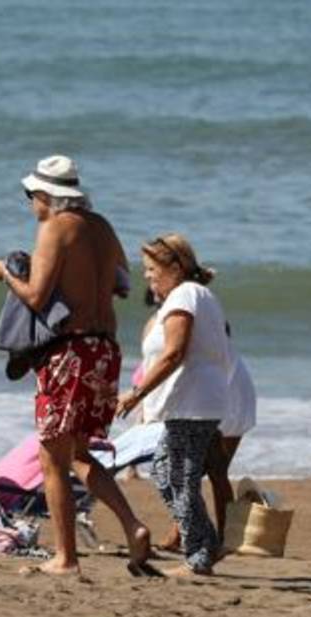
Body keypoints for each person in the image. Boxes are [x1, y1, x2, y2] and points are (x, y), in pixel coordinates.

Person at [0, 154, 152, 576]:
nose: (29, 204)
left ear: (46, 196)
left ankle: (66, 558)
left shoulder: (53, 228)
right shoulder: (102, 226)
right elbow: (122, 282)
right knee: (78, 453)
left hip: (70, 352)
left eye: (30, 196)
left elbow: (37, 297)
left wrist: (4, 273)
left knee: (51, 459)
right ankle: (133, 527)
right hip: (104, 349)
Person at [116, 233, 232, 575]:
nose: (147, 275)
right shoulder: (192, 295)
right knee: (170, 473)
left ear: (176, 268)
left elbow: (174, 353)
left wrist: (136, 393)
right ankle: (204, 548)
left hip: (194, 403)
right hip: (196, 401)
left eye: (153, 268)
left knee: (176, 476)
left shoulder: (184, 296)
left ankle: (200, 556)